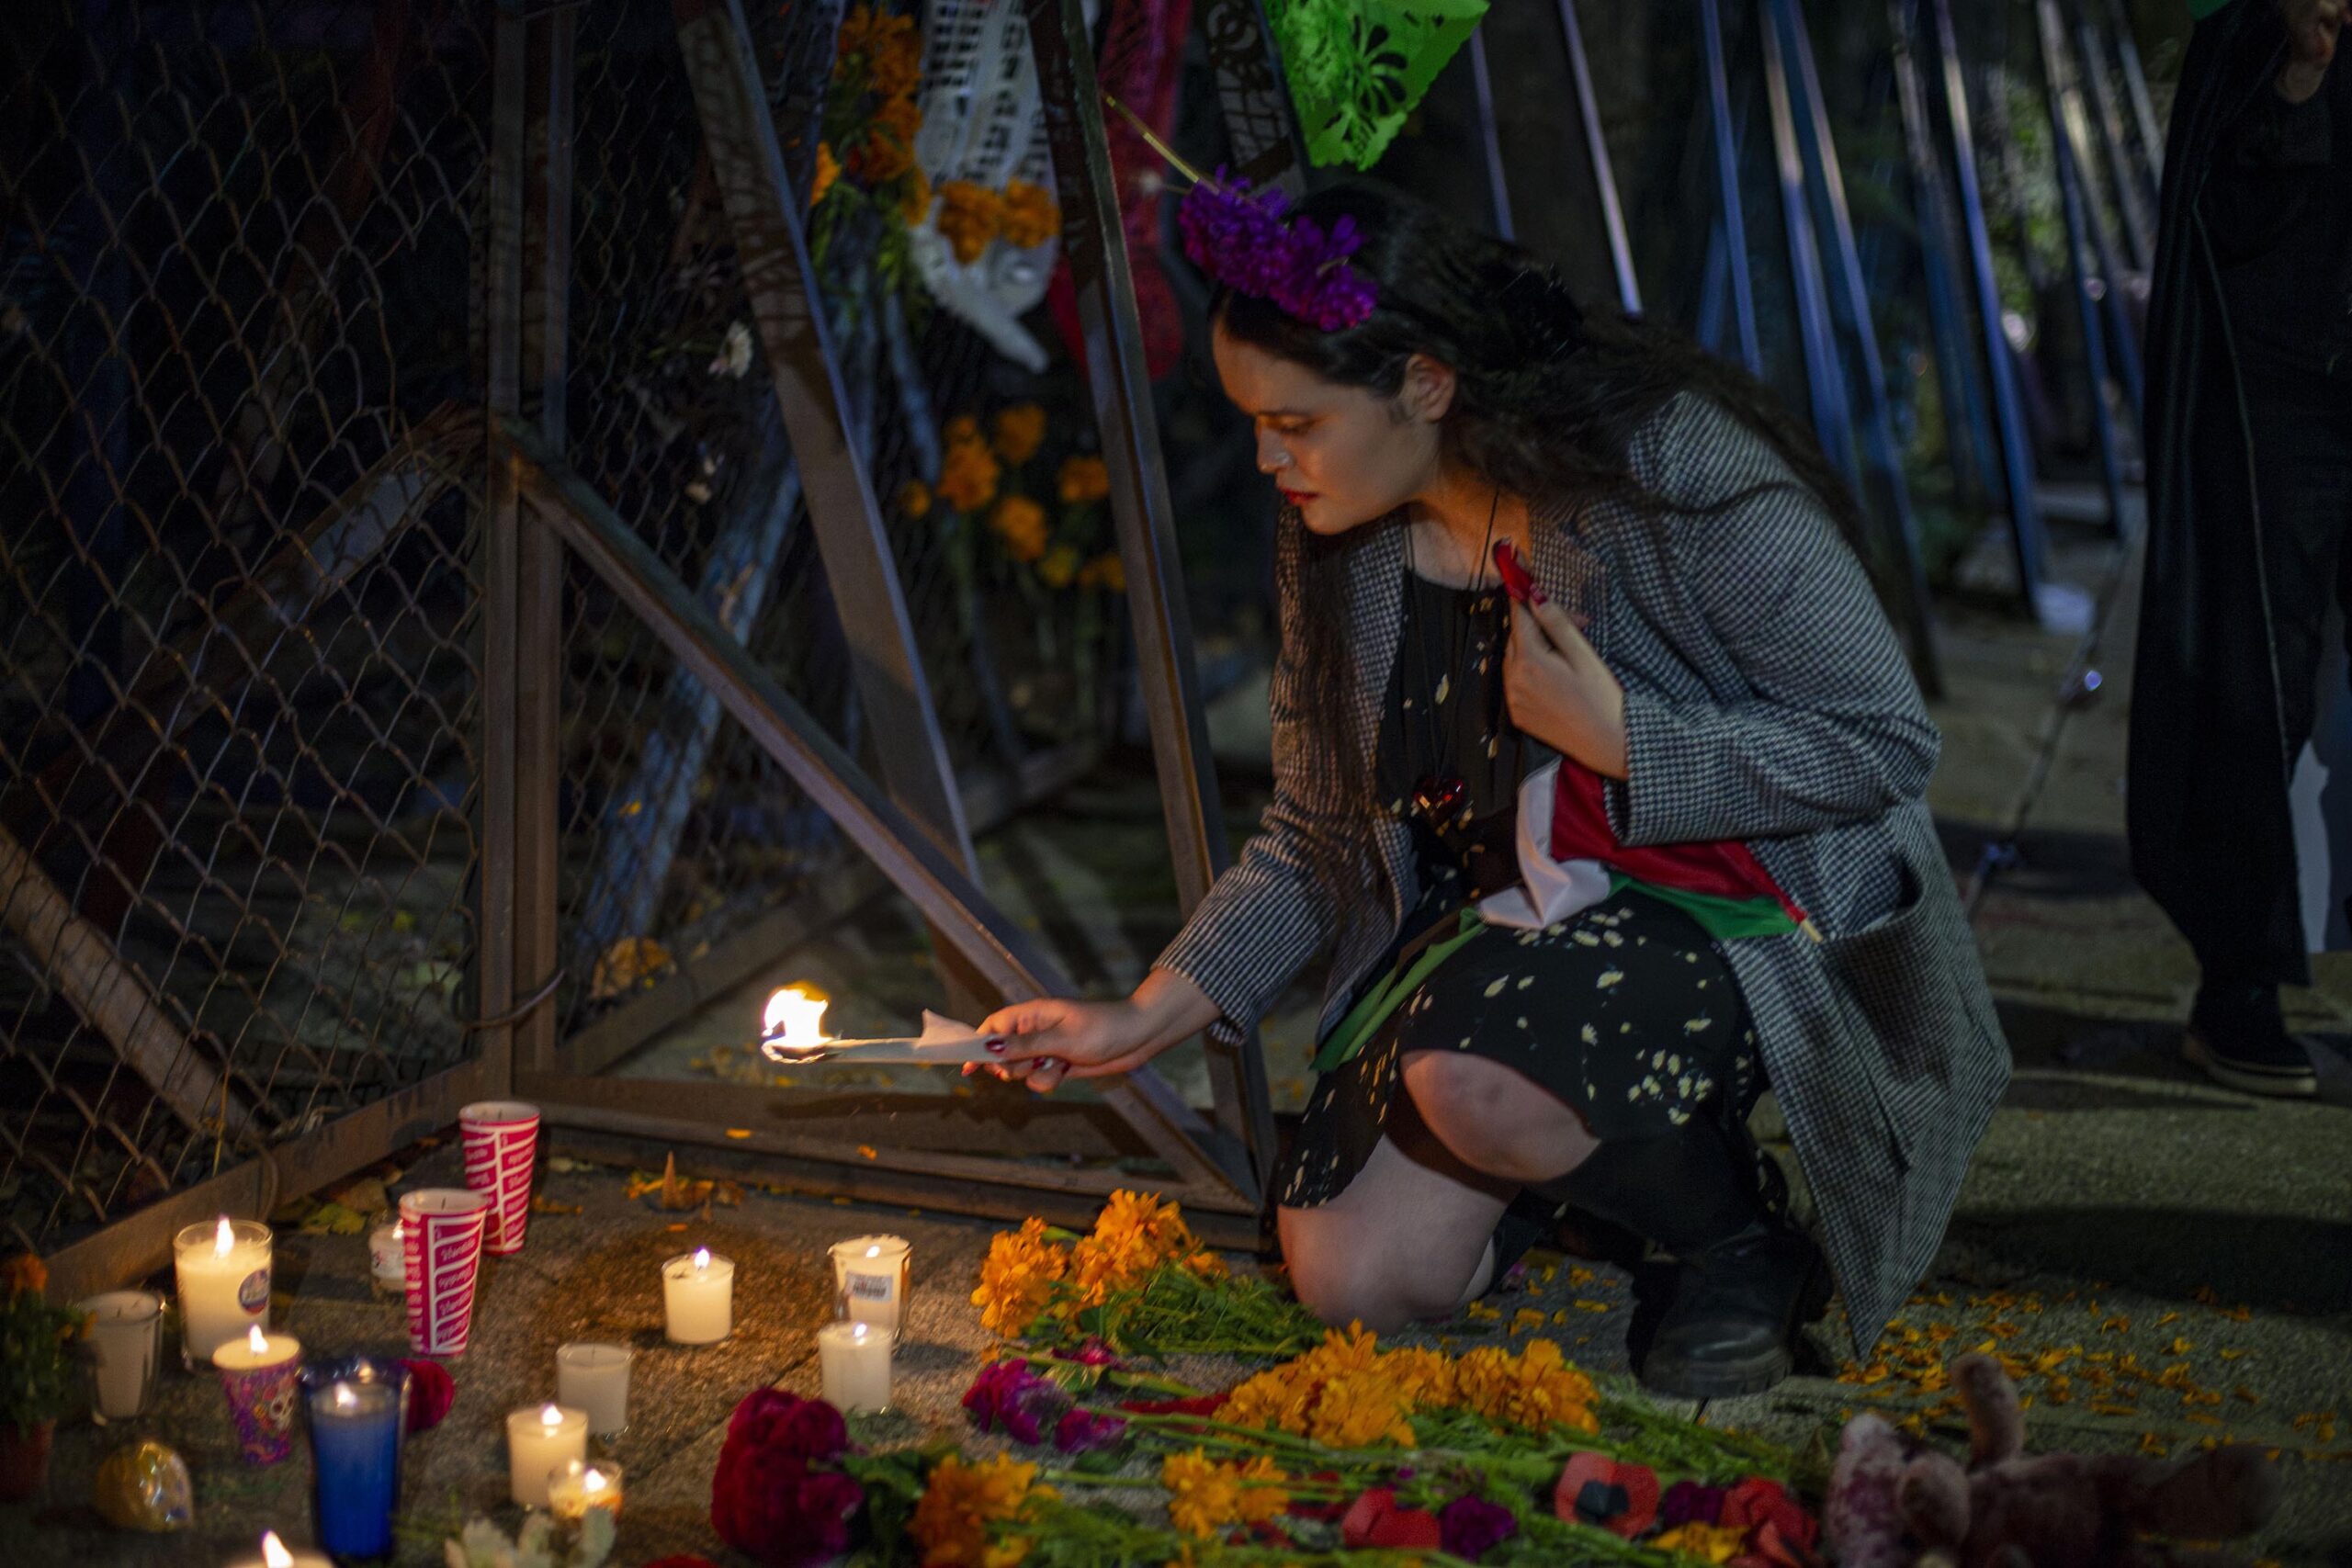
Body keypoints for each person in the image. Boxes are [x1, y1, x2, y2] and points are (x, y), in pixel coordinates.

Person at [973, 179, 2007, 1395]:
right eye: (1253, 418)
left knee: (1474, 1078)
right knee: (1356, 1279)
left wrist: (1630, 741)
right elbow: (1314, 835)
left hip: (1716, 908)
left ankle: (1737, 1235)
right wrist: (1144, 1013)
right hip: (1490, 927)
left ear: (1425, 381)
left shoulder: (1664, 467)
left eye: (1295, 420)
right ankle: (1563, 1151)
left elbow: (1883, 740)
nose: (1265, 456)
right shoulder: (1340, 526)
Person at [2134, 0, 2348, 1099]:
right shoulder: (2260, 37)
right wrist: (2298, 76)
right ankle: (2240, 983)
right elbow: (2229, 217)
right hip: (2281, 400)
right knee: (2257, 684)